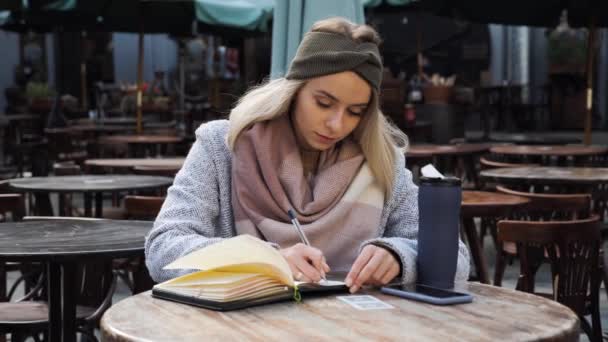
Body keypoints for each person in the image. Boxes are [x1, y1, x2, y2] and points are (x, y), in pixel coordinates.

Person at [145, 17, 470, 293]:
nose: (336, 124)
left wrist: (399, 256)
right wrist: (267, 261)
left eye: (355, 111)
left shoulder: (381, 161)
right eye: (324, 103)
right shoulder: (223, 146)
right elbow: (163, 249)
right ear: (295, 90)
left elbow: (455, 259)